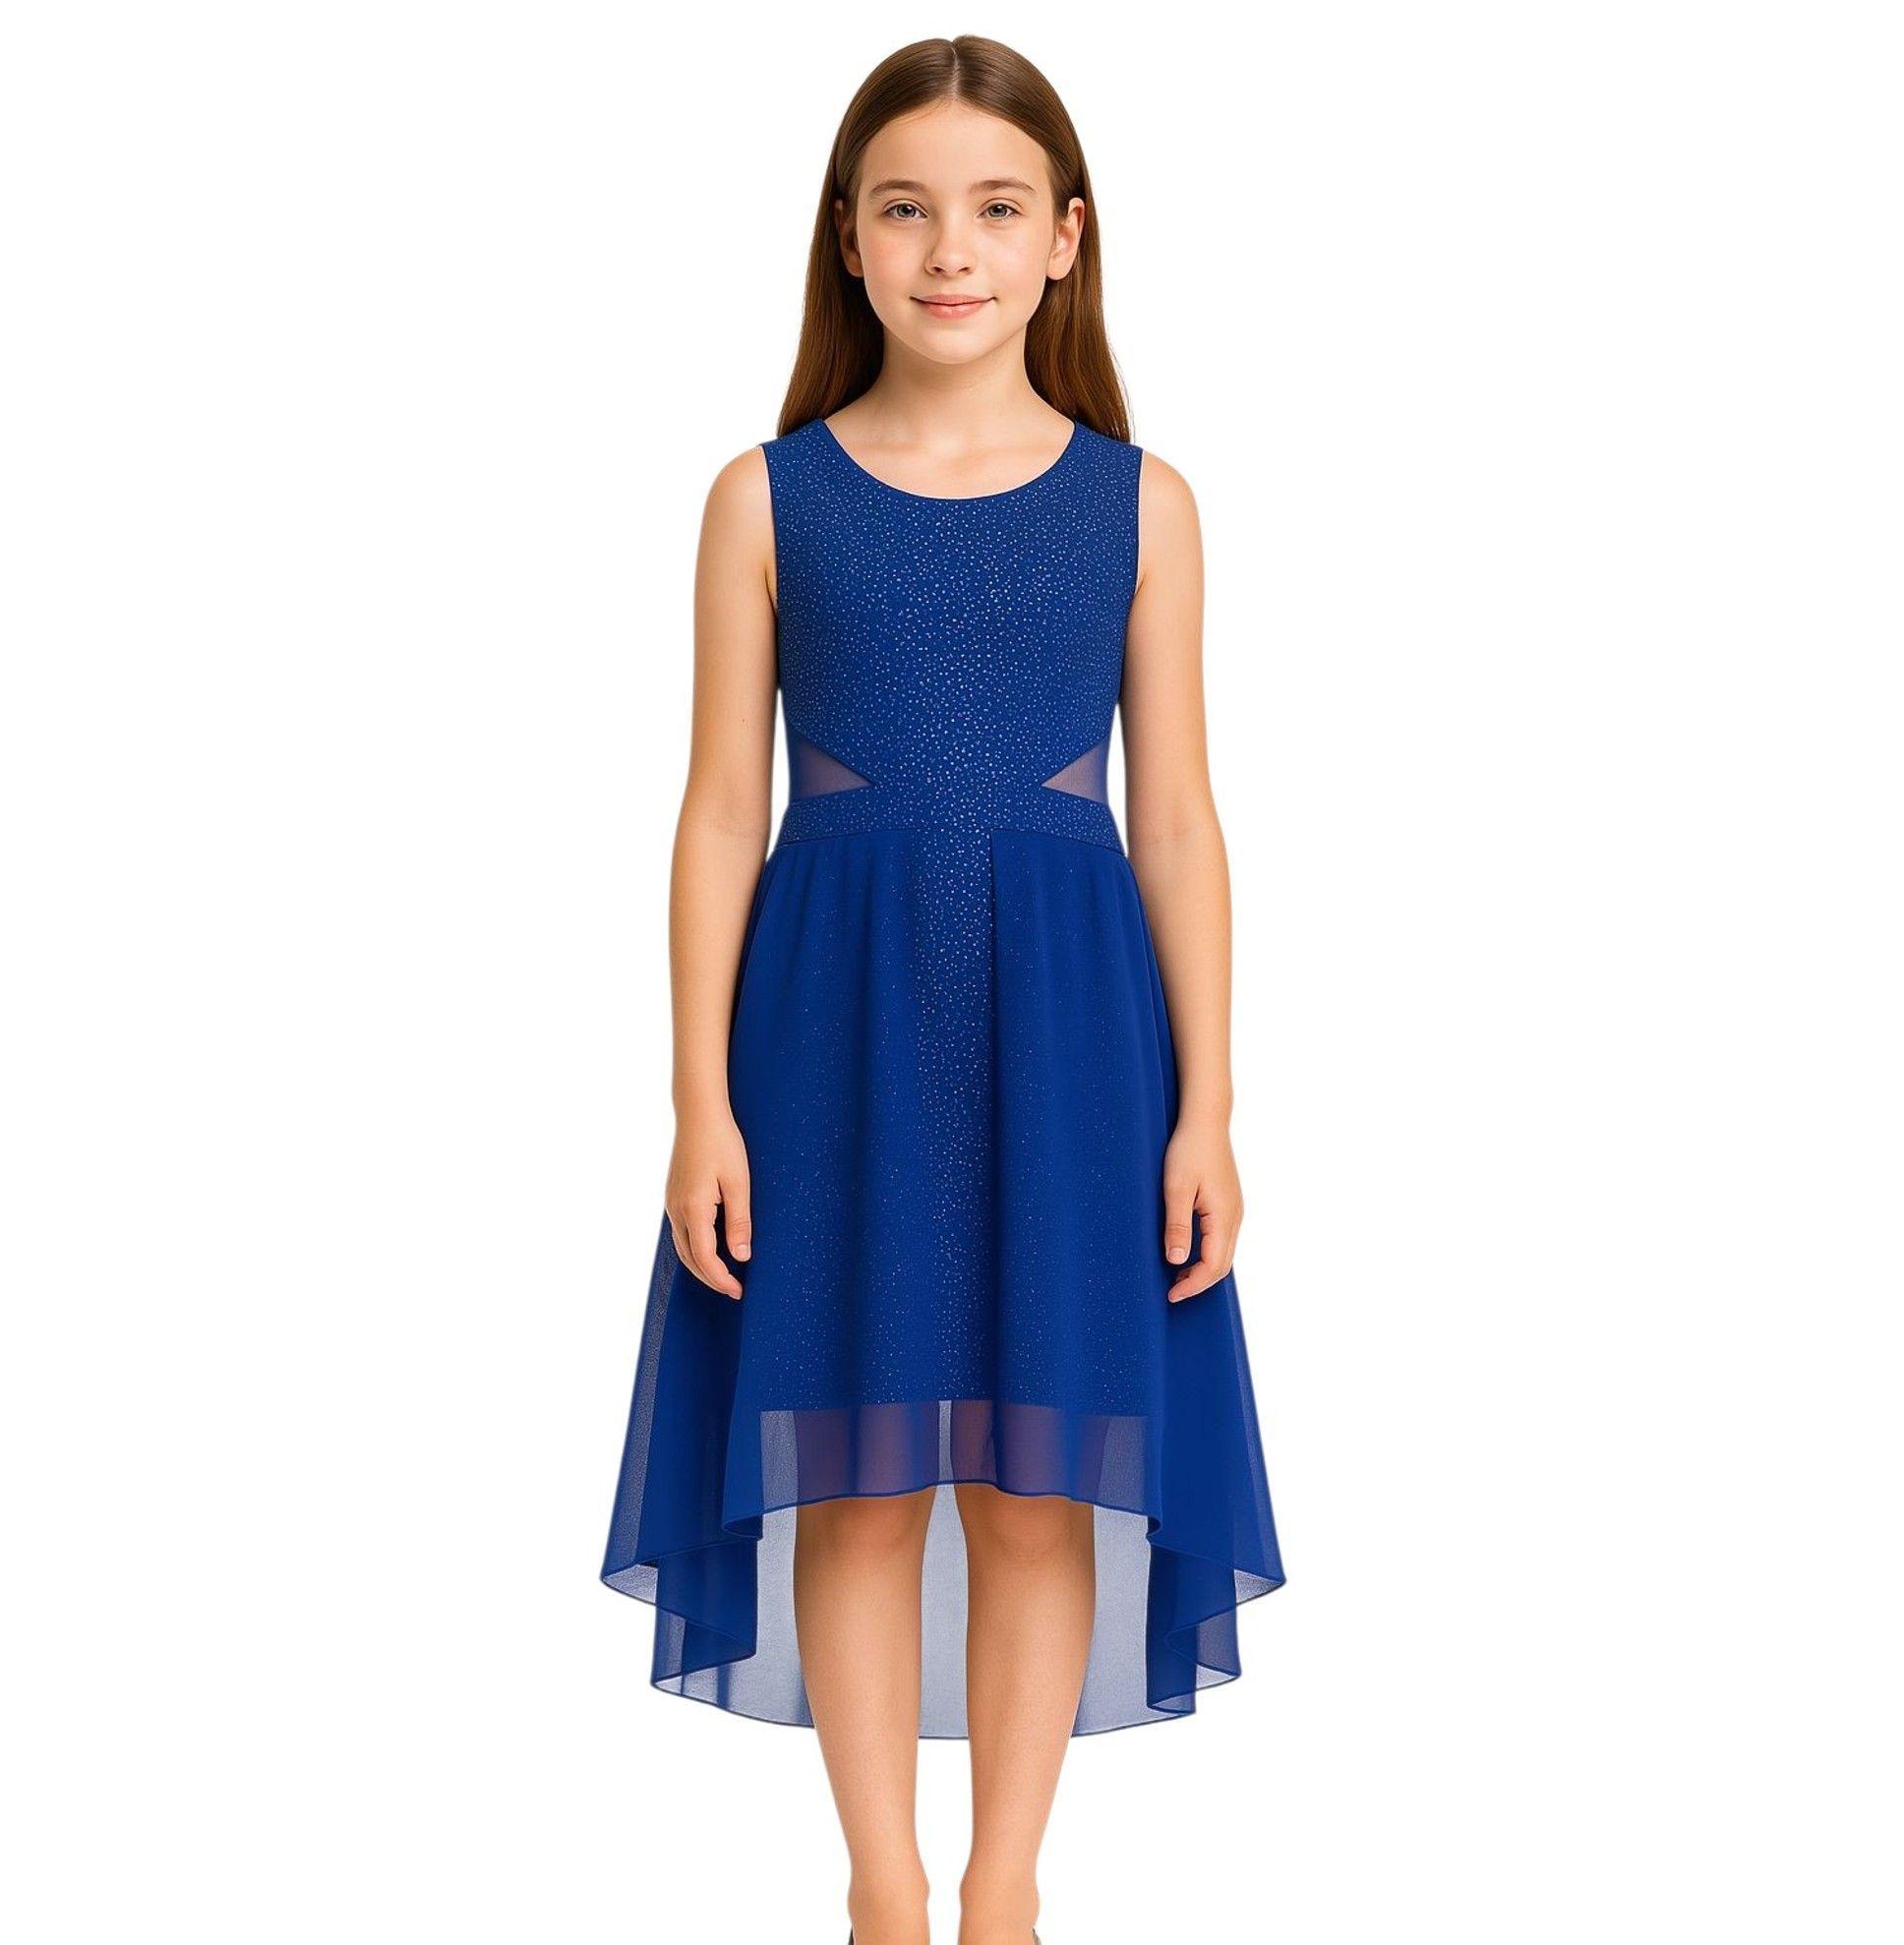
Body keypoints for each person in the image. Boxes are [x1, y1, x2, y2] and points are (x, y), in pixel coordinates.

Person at [600, 34, 1286, 1945]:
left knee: (1035, 1480)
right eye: (906, 209)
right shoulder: (764, 498)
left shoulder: (1143, 505)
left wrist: (1209, 1104)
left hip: (1071, 1039)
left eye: (994, 209)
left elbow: (1178, 819)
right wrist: (699, 1097)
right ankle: (883, 1898)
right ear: (848, 238)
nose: (950, 249)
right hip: (831, 1039)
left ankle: (1004, 1896)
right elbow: (719, 809)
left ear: (1066, 238)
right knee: (857, 1468)